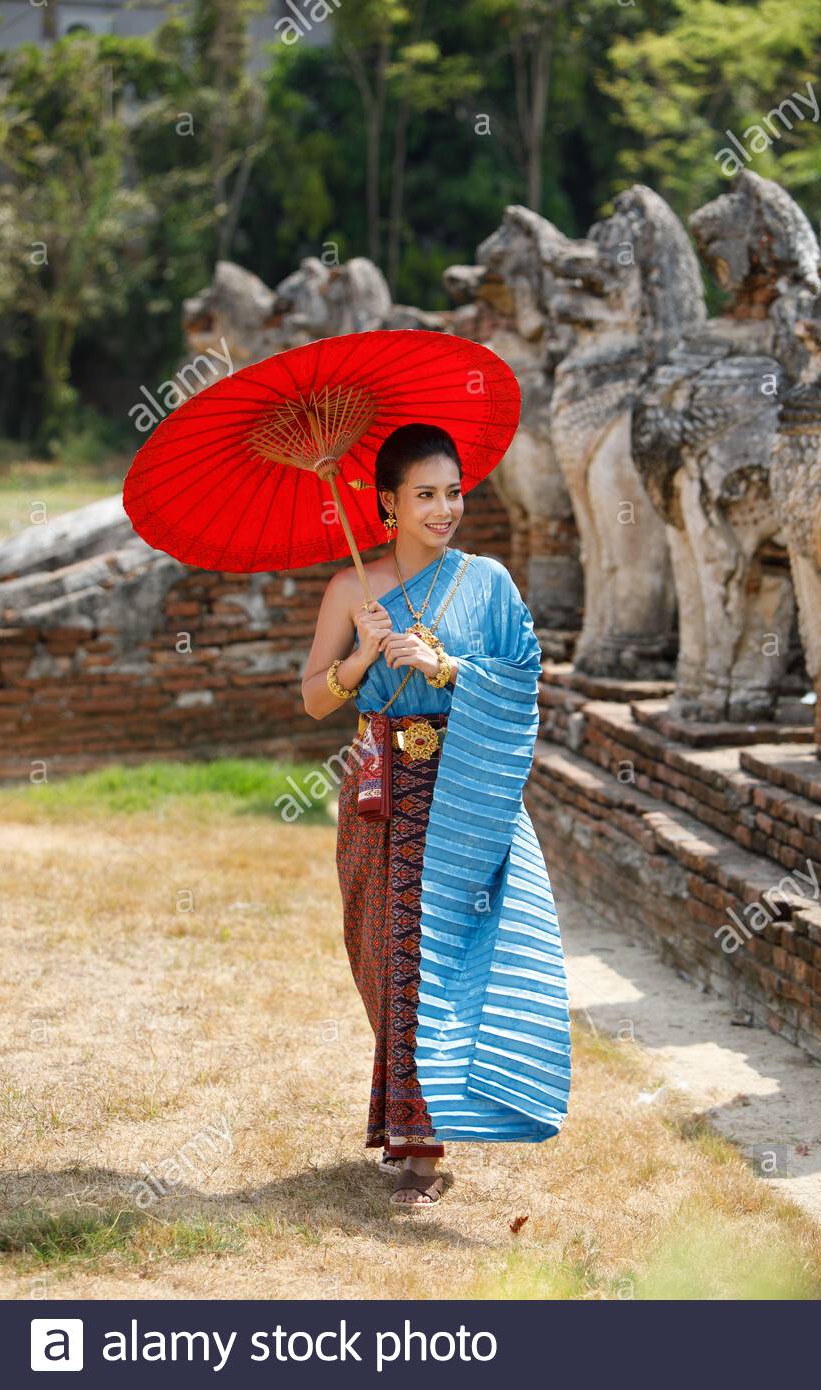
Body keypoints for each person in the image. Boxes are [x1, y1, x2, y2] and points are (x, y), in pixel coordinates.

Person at [302, 423, 571, 1208]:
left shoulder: (487, 583)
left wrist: (447, 666)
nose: (445, 508)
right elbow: (314, 696)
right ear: (386, 502)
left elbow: (523, 680)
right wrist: (361, 654)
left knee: (442, 966)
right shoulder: (353, 590)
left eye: (453, 492)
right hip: (378, 793)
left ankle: (424, 1147)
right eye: (425, 495)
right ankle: (410, 1123)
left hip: (463, 789)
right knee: (386, 963)